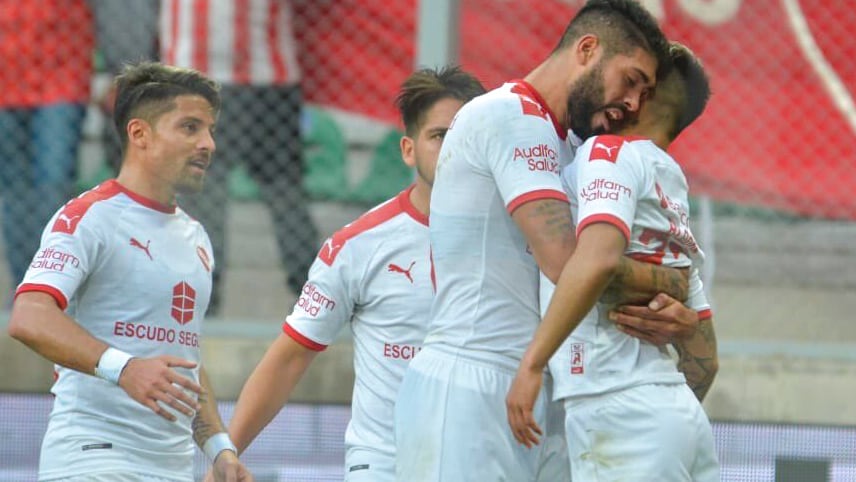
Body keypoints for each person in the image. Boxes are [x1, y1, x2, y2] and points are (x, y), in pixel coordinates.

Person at [203, 66, 485, 482]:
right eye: (439, 136)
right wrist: (226, 455)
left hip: (485, 458)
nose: (454, 148)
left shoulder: (526, 238)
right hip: (385, 463)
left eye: (466, 134)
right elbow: (289, 358)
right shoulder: (358, 245)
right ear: (408, 149)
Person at [7, 62, 252, 482]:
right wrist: (126, 368)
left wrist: (219, 449)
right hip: (92, 459)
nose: (208, 144)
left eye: (210, 130)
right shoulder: (90, 217)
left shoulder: (196, 237)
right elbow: (30, 316)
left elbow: (185, 360)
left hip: (171, 468)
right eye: (190, 128)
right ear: (139, 134)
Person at [507, 42, 720, 480]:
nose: (623, 92)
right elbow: (707, 358)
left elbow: (597, 260)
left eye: (634, 81)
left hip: (618, 409)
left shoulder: (610, 153)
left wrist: (531, 364)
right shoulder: (670, 188)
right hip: (677, 414)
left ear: (647, 95)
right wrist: (664, 417)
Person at [160, 0, 320, 314]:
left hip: (264, 79)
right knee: (206, 191)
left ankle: (315, 294)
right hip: (203, 76)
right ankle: (203, 298)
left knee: (278, 189)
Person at [0, 1, 93, 289]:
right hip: (5, 77)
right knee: (14, 191)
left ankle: (54, 286)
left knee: (54, 185)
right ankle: (25, 288)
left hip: (61, 76)